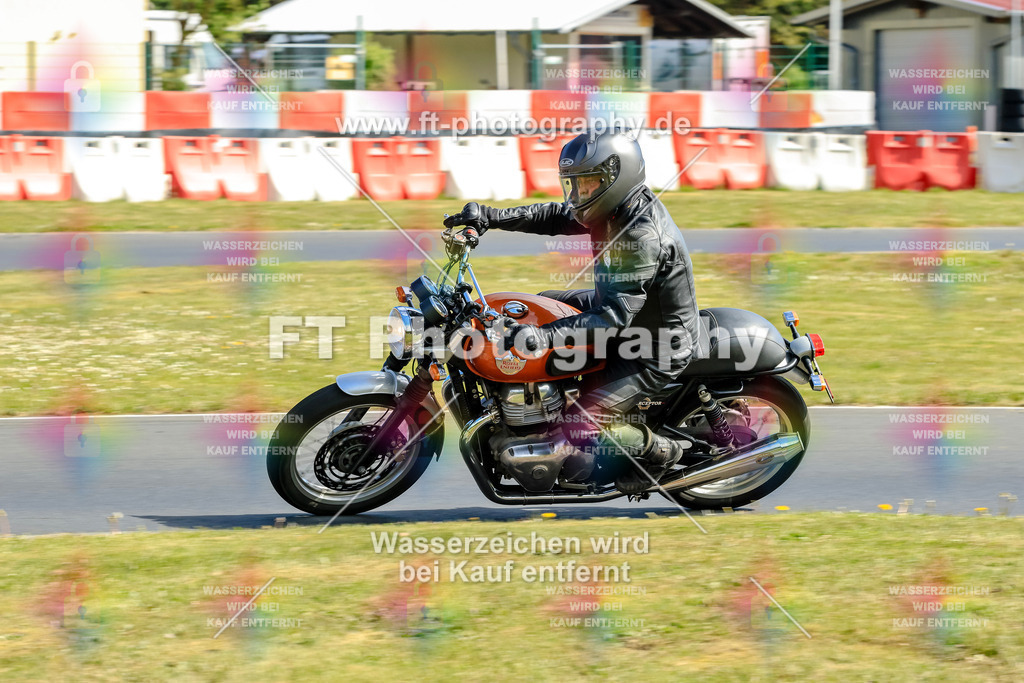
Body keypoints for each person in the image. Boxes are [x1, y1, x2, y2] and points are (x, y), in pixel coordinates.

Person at [443, 130, 700, 494]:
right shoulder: (612, 207)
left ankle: (662, 453)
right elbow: (553, 216)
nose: (578, 195)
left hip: (652, 346)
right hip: (623, 314)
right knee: (537, 307)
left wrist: (541, 338)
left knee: (579, 425)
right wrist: (490, 216)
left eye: (588, 183)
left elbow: (612, 319)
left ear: (616, 175)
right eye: (574, 184)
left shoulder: (640, 236)